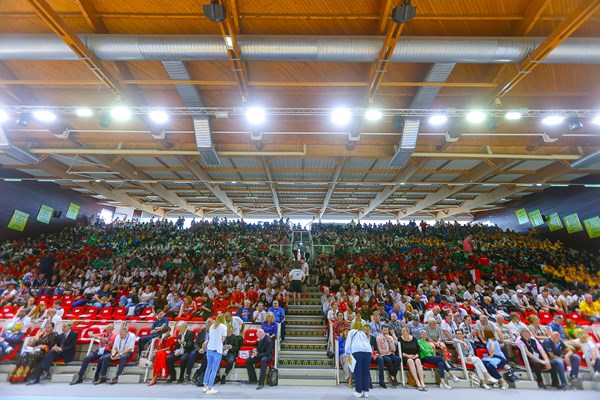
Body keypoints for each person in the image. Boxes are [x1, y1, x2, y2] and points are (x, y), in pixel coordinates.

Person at [345, 320, 372, 398]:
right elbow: (368, 342)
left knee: (358, 371)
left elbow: (348, 343)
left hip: (357, 351)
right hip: (368, 351)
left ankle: (358, 391)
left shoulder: (351, 332)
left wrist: (348, 353)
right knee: (366, 372)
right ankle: (366, 391)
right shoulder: (364, 333)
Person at [202, 314, 227, 394]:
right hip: (217, 350)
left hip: (210, 349)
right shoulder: (223, 327)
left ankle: (205, 386)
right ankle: (210, 388)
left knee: (208, 368)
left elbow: (210, 337)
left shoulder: (212, 326)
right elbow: (222, 339)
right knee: (214, 369)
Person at [399, 326, 427, 391]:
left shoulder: (413, 339)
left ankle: (422, 382)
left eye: (404, 331)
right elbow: (399, 351)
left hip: (414, 356)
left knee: (418, 361)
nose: (402, 332)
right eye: (402, 331)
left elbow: (418, 350)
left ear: (408, 332)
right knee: (411, 361)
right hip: (406, 357)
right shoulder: (400, 339)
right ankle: (417, 381)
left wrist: (416, 355)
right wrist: (408, 356)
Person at [190, 319, 213, 385]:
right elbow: (196, 343)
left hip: (209, 351)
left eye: (212, 325)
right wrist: (199, 349)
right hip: (201, 350)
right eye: (210, 325)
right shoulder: (201, 332)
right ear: (206, 326)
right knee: (191, 355)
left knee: (207, 358)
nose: (211, 327)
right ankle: (187, 374)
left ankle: (197, 373)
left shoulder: (215, 333)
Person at [363, 324, 386, 389]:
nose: (366, 331)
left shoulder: (373, 338)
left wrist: (376, 355)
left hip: (373, 356)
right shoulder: (361, 339)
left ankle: (382, 381)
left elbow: (376, 349)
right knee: (366, 360)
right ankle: (369, 382)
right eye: (365, 330)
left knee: (381, 359)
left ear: (370, 330)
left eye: (368, 330)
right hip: (365, 356)